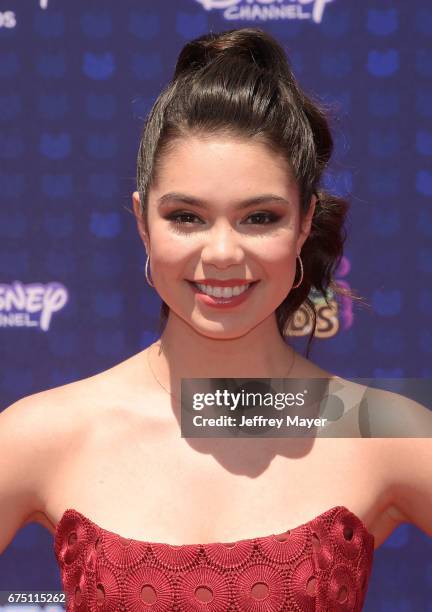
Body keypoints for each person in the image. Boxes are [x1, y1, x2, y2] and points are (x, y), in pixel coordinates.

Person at [1, 26, 431, 611]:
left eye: (258, 218)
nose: (223, 253)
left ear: (305, 222)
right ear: (141, 221)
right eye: (187, 217)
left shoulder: (385, 433)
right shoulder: (38, 436)